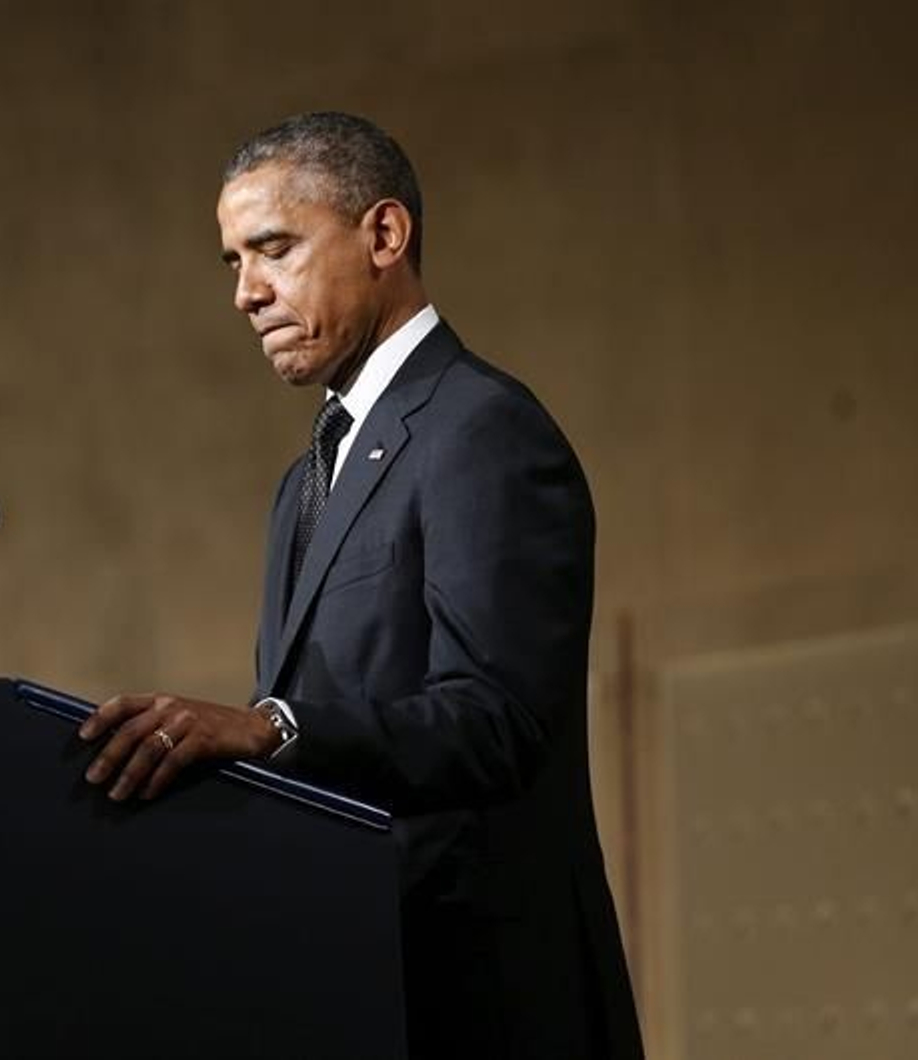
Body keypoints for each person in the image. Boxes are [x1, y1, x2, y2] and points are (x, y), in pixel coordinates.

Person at [78, 111, 643, 1060]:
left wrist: (271, 727)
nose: (246, 293)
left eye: (274, 249)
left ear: (384, 235)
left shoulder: (480, 430)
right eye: (234, 263)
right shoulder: (301, 486)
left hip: (482, 1008)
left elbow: (497, 720)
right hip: (354, 992)